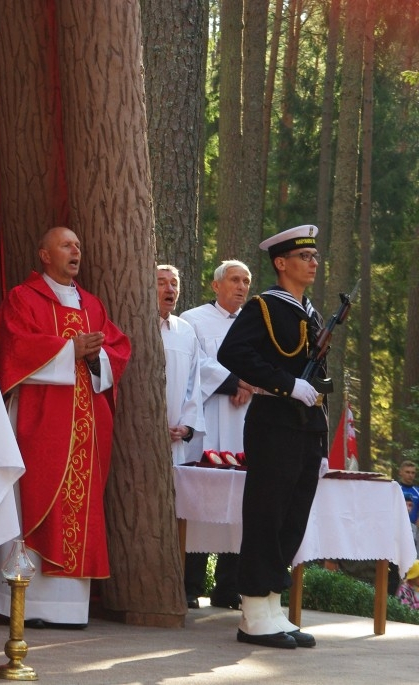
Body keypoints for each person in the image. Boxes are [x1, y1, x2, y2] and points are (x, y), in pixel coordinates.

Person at [0, 226, 130, 626]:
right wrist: (69, 349)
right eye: (66, 245)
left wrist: (95, 355)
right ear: (45, 255)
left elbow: (117, 348)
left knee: (78, 509)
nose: (75, 251)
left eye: (78, 245)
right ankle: (19, 604)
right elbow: (12, 347)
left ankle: (65, 608)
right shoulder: (23, 298)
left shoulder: (92, 305)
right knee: (31, 501)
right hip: (40, 421)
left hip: (85, 426)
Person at [217, 224, 327, 650]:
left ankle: (272, 607)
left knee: (291, 516)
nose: (313, 263)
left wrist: (321, 432)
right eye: (305, 257)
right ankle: (252, 612)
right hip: (274, 422)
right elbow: (233, 353)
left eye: (316, 256)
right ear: (281, 263)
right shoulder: (264, 306)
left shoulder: (312, 312)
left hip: (306, 426)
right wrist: (284, 384)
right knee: (266, 513)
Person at [180, 259, 256, 611]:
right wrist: (234, 382)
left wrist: (251, 383)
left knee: (241, 503)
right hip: (210, 417)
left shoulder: (254, 323)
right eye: (234, 280)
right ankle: (190, 583)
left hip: (245, 422)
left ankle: (229, 587)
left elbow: (263, 360)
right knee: (202, 501)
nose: (241, 287)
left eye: (246, 281)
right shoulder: (194, 320)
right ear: (216, 286)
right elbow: (198, 364)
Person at [157, 265, 204, 467]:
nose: (170, 289)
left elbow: (193, 384)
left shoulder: (185, 331)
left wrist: (186, 426)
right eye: (161, 283)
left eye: (174, 284)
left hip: (175, 440)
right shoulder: (134, 328)